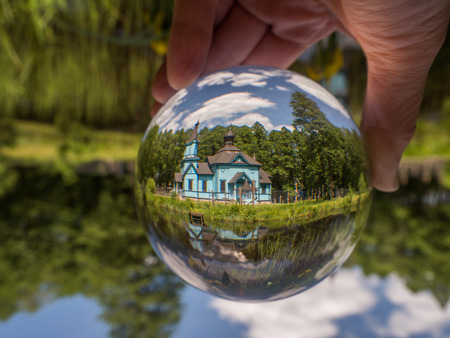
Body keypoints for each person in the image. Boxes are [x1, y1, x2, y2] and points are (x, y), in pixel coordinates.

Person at [151, 0, 450, 192]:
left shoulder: (234, 163)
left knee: (181, 72)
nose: (191, 148)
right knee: (182, 72)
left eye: (191, 146)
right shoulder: (206, 164)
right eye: (192, 145)